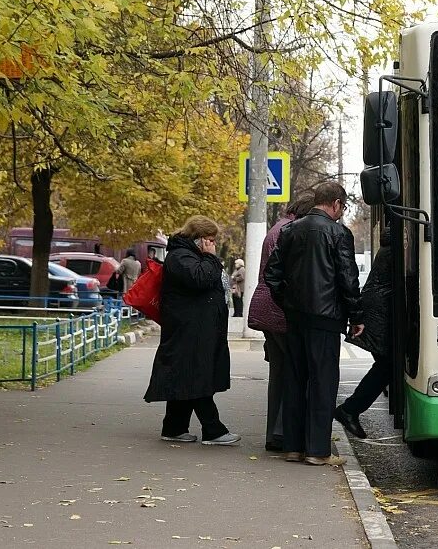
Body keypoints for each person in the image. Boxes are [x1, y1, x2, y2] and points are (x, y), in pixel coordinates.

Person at [265, 182, 363, 466]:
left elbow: (272, 275)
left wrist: (288, 301)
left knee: (295, 380)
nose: (341, 213)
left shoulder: (290, 230)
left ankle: (293, 448)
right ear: (335, 204)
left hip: (295, 318)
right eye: (342, 208)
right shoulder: (338, 233)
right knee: (322, 383)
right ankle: (318, 451)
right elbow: (348, 278)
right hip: (327, 319)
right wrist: (356, 316)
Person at [143, 216, 240, 446]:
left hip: (193, 327)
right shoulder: (180, 257)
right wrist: (209, 257)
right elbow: (200, 279)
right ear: (198, 238)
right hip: (189, 328)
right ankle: (213, 429)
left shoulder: (186, 255)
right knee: (197, 377)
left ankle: (174, 427)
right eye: (209, 240)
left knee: (186, 375)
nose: (212, 244)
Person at [247, 191, 316, 452]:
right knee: (294, 372)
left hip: (268, 309)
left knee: (279, 373)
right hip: (280, 311)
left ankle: (274, 435)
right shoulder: (291, 231)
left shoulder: (278, 227)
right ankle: (284, 433)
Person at [334, 231, 393, 440]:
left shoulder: (387, 249)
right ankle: (349, 410)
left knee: (386, 366)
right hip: (379, 313)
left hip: (377, 310)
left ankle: (351, 410)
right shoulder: (394, 252)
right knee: (387, 367)